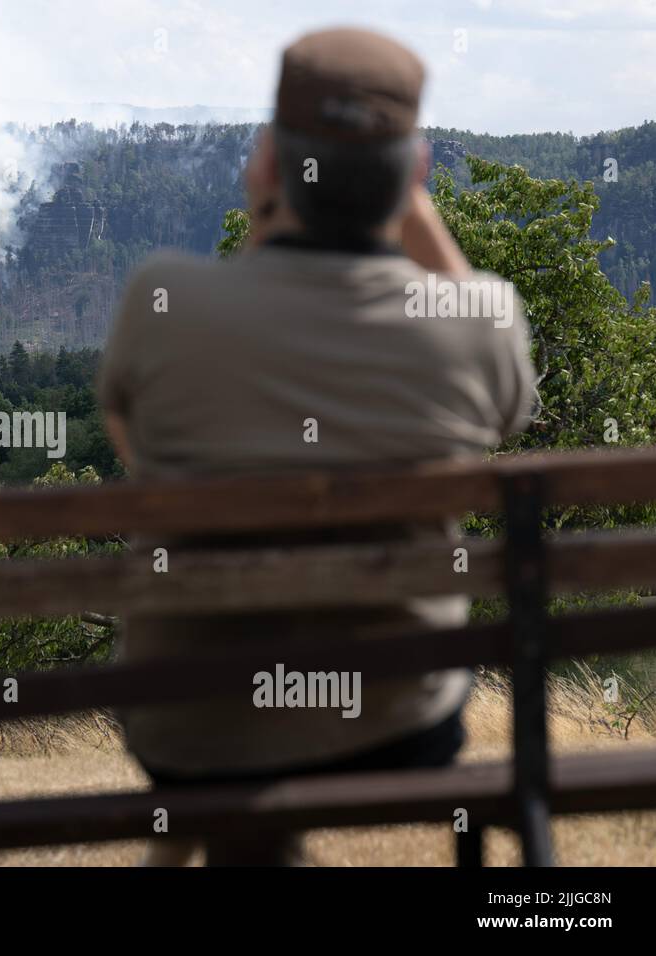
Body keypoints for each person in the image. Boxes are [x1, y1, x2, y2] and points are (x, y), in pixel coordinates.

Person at [97, 27, 539, 866]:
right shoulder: (479, 322)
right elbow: (511, 406)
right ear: (415, 174)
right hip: (397, 720)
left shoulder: (162, 300)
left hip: (187, 721)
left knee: (229, 747)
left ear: (267, 162)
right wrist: (416, 210)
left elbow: (142, 460)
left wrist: (272, 212)